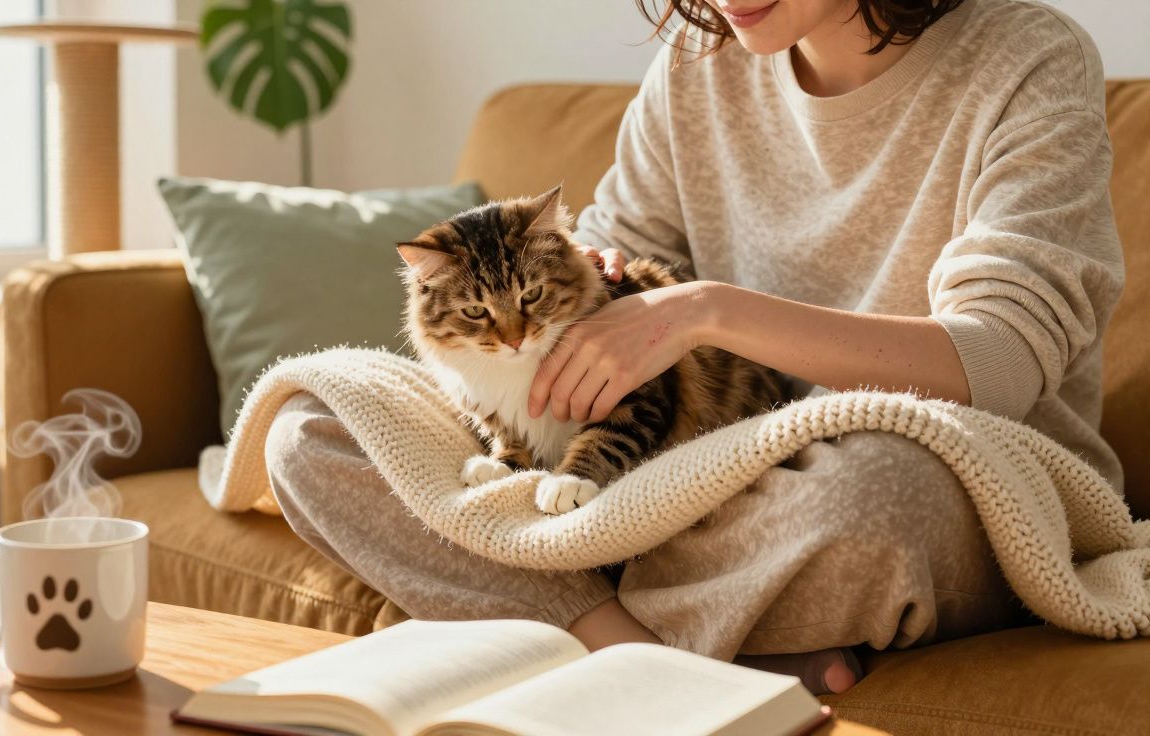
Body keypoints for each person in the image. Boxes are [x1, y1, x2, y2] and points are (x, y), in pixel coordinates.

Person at [267, 0, 1124, 695]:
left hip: (932, 474)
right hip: (677, 470)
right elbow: (607, 262)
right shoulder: (696, 62)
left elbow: (999, 362)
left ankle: (553, 606)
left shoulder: (1028, 59)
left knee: (874, 499)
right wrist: (595, 284)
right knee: (314, 428)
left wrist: (705, 310)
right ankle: (636, 654)